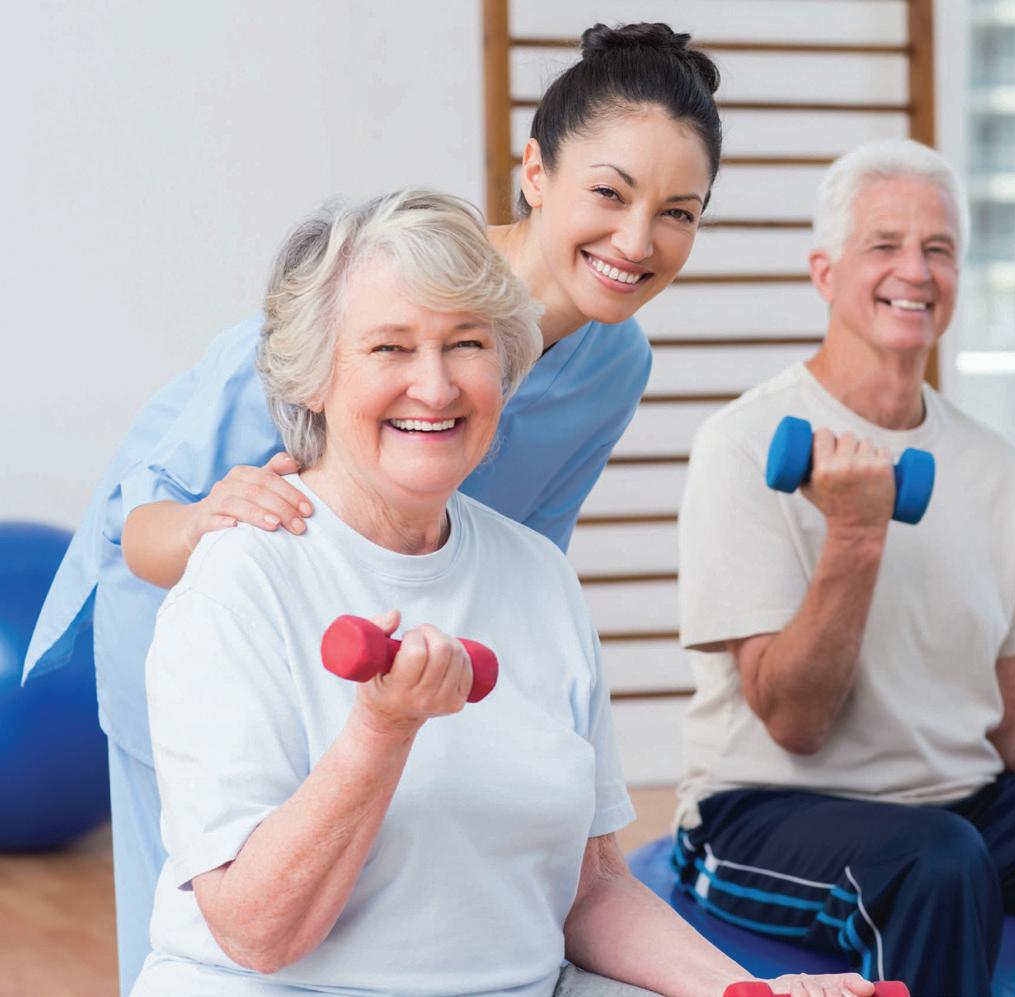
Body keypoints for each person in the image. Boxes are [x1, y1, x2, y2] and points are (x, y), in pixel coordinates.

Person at [23, 23, 725, 991]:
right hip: (218, 615)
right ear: (535, 172)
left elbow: (527, 559)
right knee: (219, 919)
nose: (637, 240)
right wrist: (210, 526)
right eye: (610, 192)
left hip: (396, 632)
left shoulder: (614, 364)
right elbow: (142, 531)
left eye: (677, 211)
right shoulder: (362, 303)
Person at [131, 188, 871, 997]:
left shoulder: (536, 574)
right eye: (390, 348)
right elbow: (256, 932)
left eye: (467, 344)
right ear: (314, 376)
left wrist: (746, 990)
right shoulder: (241, 579)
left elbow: (591, 887)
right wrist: (382, 730)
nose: (436, 386)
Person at [673, 138, 1015, 996]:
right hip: (765, 808)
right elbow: (794, 722)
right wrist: (855, 532)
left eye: (937, 249)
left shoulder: (997, 469)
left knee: (950, 846)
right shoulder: (742, 446)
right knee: (936, 863)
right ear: (825, 272)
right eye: (885, 244)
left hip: (963, 805)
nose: (915, 270)